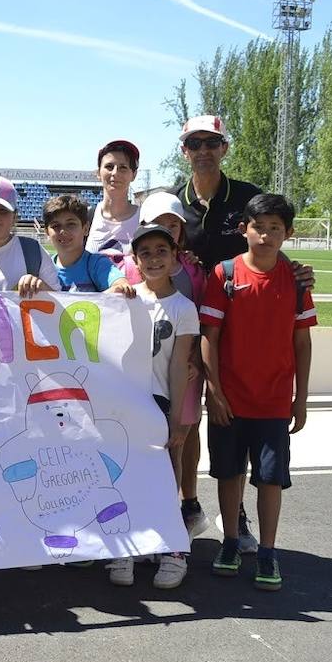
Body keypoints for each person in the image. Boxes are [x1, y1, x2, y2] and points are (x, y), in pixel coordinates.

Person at [177, 115, 315, 551]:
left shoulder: (246, 196)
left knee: (230, 425)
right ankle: (188, 506)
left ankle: (234, 519)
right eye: (195, 143)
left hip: (232, 325)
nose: (203, 150)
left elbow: (268, 238)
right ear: (184, 150)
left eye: (211, 142)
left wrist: (293, 272)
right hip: (184, 325)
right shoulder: (174, 201)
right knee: (185, 421)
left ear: (224, 148)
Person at [200, 193, 315, 591]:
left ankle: (268, 551)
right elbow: (209, 336)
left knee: (270, 479)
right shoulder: (225, 274)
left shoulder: (296, 281)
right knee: (229, 474)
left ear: (288, 233)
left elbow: (302, 342)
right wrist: (214, 391)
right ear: (243, 229)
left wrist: (301, 398)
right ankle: (230, 542)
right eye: (258, 227)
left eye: (275, 228)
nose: (265, 235)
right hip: (229, 400)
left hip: (274, 402)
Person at [106, 223, 199, 590]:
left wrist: (176, 417)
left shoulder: (183, 308)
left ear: (175, 256)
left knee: (166, 473)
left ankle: (173, 549)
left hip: (159, 400)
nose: (154, 259)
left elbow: (179, 365)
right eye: (145, 252)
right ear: (135, 260)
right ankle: (127, 545)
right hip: (125, 400)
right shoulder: (122, 298)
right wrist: (112, 292)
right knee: (124, 474)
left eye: (162, 251)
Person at [120, 190, 211, 538]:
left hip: (179, 376)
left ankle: (173, 524)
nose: (155, 256)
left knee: (176, 446)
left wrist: (195, 362)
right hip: (138, 389)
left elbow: (198, 322)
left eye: (173, 226)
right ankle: (136, 530)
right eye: (158, 224)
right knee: (135, 457)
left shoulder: (194, 273)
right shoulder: (126, 279)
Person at [41, 194, 133, 294]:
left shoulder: (96, 263)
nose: (63, 231)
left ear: (85, 229)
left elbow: (120, 285)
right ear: (47, 232)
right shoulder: (44, 267)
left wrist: (119, 287)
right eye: (56, 226)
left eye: (71, 224)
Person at [86, 140, 142, 254]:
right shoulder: (86, 218)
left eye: (123, 167)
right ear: (98, 173)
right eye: (109, 167)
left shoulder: (144, 220)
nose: (115, 173)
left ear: (134, 175)